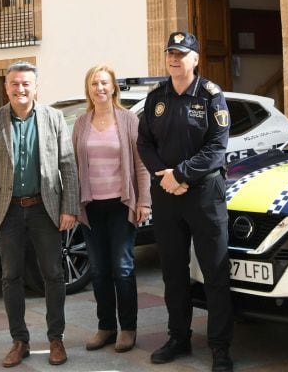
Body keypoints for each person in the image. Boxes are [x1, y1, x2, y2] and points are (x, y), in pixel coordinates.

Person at [137, 31, 234, 372]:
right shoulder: (156, 98)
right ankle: (178, 337)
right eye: (170, 53)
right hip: (167, 196)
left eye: (182, 53)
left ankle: (220, 347)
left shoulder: (210, 96)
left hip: (205, 195)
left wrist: (180, 174)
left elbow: (217, 147)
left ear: (195, 59)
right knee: (173, 273)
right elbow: (144, 143)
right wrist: (165, 177)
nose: (174, 59)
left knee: (215, 274)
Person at [0, 61, 79, 368]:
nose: (20, 89)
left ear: (36, 87)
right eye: (15, 84)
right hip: (9, 212)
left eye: (26, 84)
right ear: (6, 87)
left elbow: (68, 165)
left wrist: (69, 207)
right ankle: (20, 341)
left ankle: (56, 338)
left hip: (44, 209)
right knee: (10, 277)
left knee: (54, 275)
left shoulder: (54, 118)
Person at [72, 64, 151, 354]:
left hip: (121, 204)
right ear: (88, 89)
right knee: (99, 269)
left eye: (105, 83)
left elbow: (141, 164)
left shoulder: (129, 120)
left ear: (114, 87)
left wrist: (144, 201)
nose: (100, 88)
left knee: (123, 267)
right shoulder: (82, 123)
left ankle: (127, 328)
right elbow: (74, 167)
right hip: (91, 206)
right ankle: (106, 327)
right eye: (94, 83)